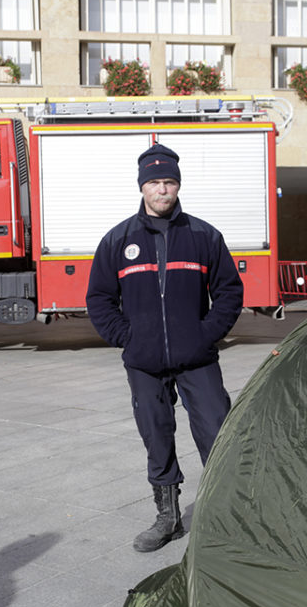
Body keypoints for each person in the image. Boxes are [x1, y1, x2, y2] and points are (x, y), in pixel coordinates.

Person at [86, 143, 244, 553]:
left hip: (198, 359)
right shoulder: (118, 240)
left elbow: (229, 291)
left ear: (178, 185)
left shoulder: (204, 236)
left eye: (169, 182)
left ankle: (226, 516)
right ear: (142, 187)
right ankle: (168, 517)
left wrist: (205, 334)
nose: (162, 190)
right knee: (156, 435)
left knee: (216, 430)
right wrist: (128, 337)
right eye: (155, 182)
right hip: (144, 362)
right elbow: (99, 299)